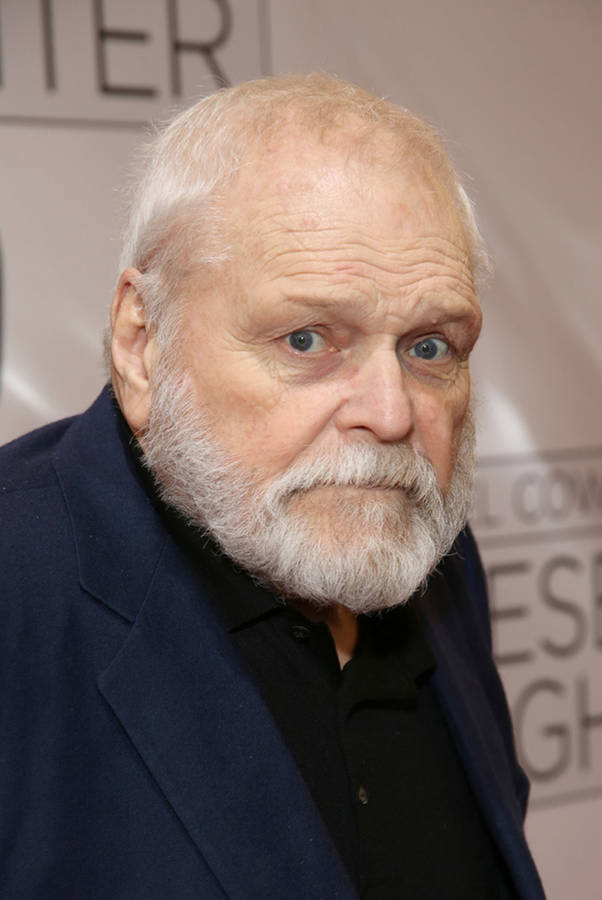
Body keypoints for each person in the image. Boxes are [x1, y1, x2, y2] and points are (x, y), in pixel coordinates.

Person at [0, 74, 544, 899]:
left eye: (430, 347)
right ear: (142, 343)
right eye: (307, 339)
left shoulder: (431, 554)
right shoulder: (17, 586)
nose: (391, 414)